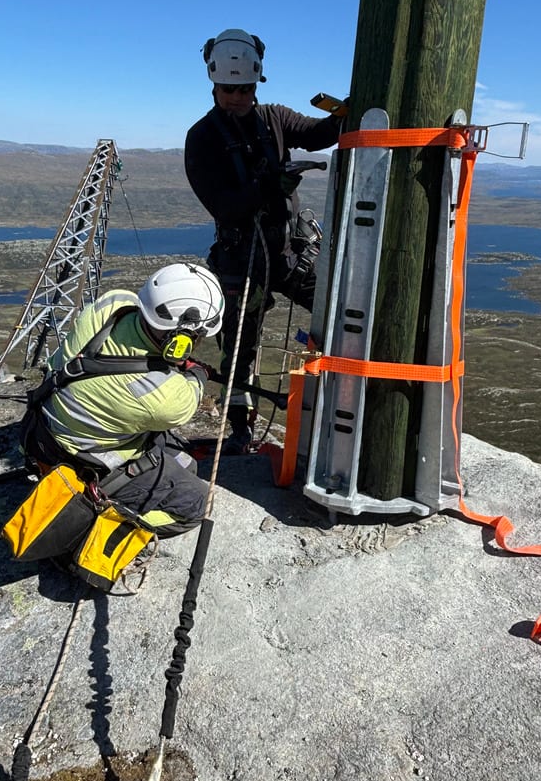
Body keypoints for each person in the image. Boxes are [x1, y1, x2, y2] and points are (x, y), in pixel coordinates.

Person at [184, 28, 343, 453]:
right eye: (229, 88)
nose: (238, 96)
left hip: (288, 251)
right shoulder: (202, 138)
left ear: (257, 83)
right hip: (241, 258)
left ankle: (343, 409)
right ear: (214, 84)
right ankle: (239, 428)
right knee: (238, 347)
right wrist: (270, 186)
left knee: (341, 315)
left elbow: (316, 135)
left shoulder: (273, 117)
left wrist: (348, 111)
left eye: (246, 88)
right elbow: (224, 205)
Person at [20, 263, 224, 538]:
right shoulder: (164, 398)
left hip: (41, 431)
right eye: (198, 337)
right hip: (83, 461)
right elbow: (189, 394)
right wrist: (198, 371)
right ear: (181, 339)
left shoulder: (112, 304)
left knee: (184, 460)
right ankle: (94, 525)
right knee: (199, 502)